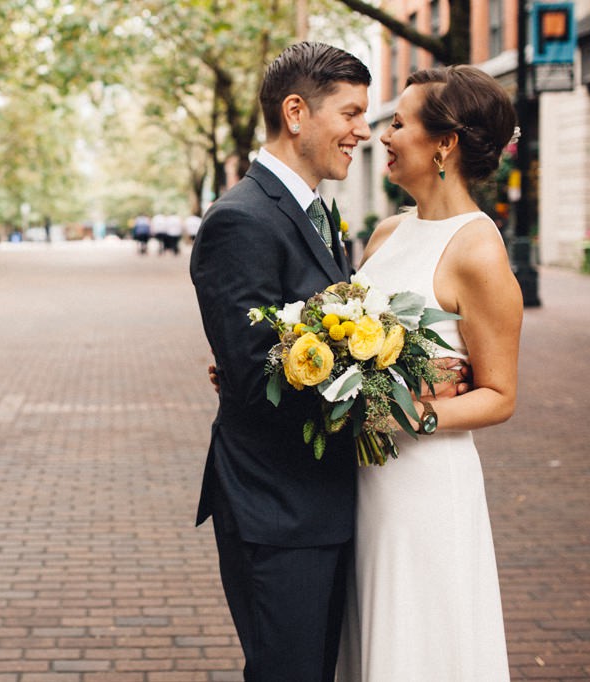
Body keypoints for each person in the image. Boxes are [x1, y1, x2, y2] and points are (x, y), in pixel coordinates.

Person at [189, 42, 372, 681]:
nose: (363, 131)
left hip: (318, 502)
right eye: (350, 113)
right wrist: (393, 392)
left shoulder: (317, 214)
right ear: (297, 112)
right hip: (277, 508)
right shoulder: (240, 221)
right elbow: (256, 376)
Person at [336, 65, 521, 680]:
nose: (381, 136)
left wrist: (414, 411)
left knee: (419, 641)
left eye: (397, 123)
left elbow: (499, 394)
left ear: (444, 144)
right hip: (360, 478)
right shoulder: (387, 233)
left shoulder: (478, 248)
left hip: (423, 483)